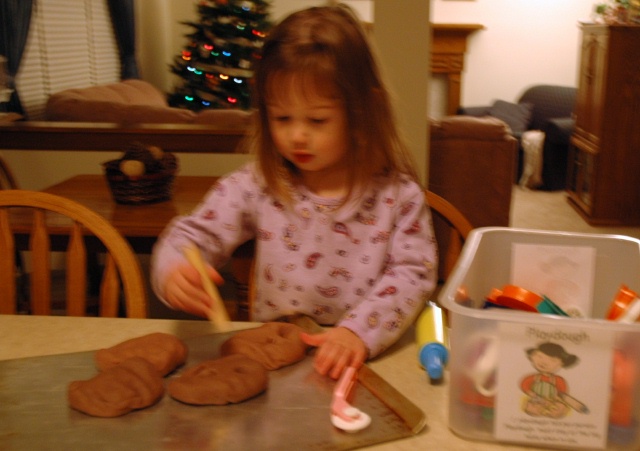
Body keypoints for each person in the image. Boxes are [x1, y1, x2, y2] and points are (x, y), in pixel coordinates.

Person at [151, 4, 437, 380]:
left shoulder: (398, 197)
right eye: (281, 118)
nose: (297, 135)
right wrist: (173, 268)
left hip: (361, 362)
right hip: (273, 364)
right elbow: (191, 234)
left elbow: (413, 275)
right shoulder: (258, 184)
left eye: (317, 120)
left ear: (363, 112)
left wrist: (357, 333)